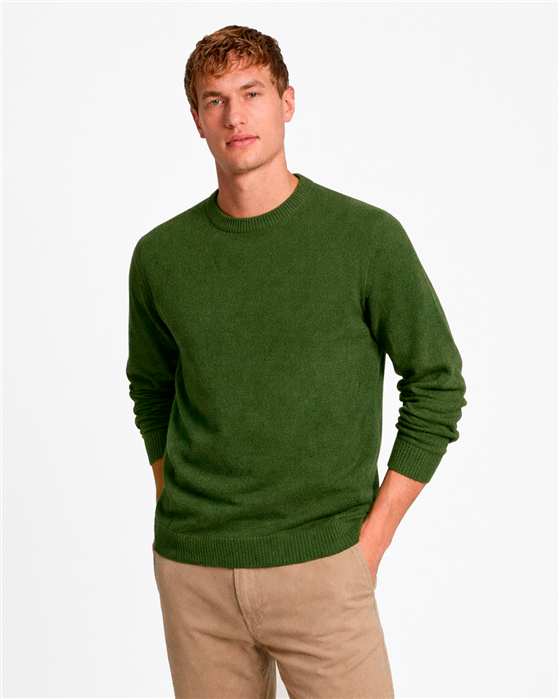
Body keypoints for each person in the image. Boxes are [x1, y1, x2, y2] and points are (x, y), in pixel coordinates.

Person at [126, 24, 467, 699]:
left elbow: (437, 383)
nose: (235, 115)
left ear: (287, 102)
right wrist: (174, 501)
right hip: (195, 574)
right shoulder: (160, 256)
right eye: (215, 99)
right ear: (196, 119)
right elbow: (151, 389)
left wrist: (371, 542)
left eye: (252, 92)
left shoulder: (365, 238)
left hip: (324, 565)